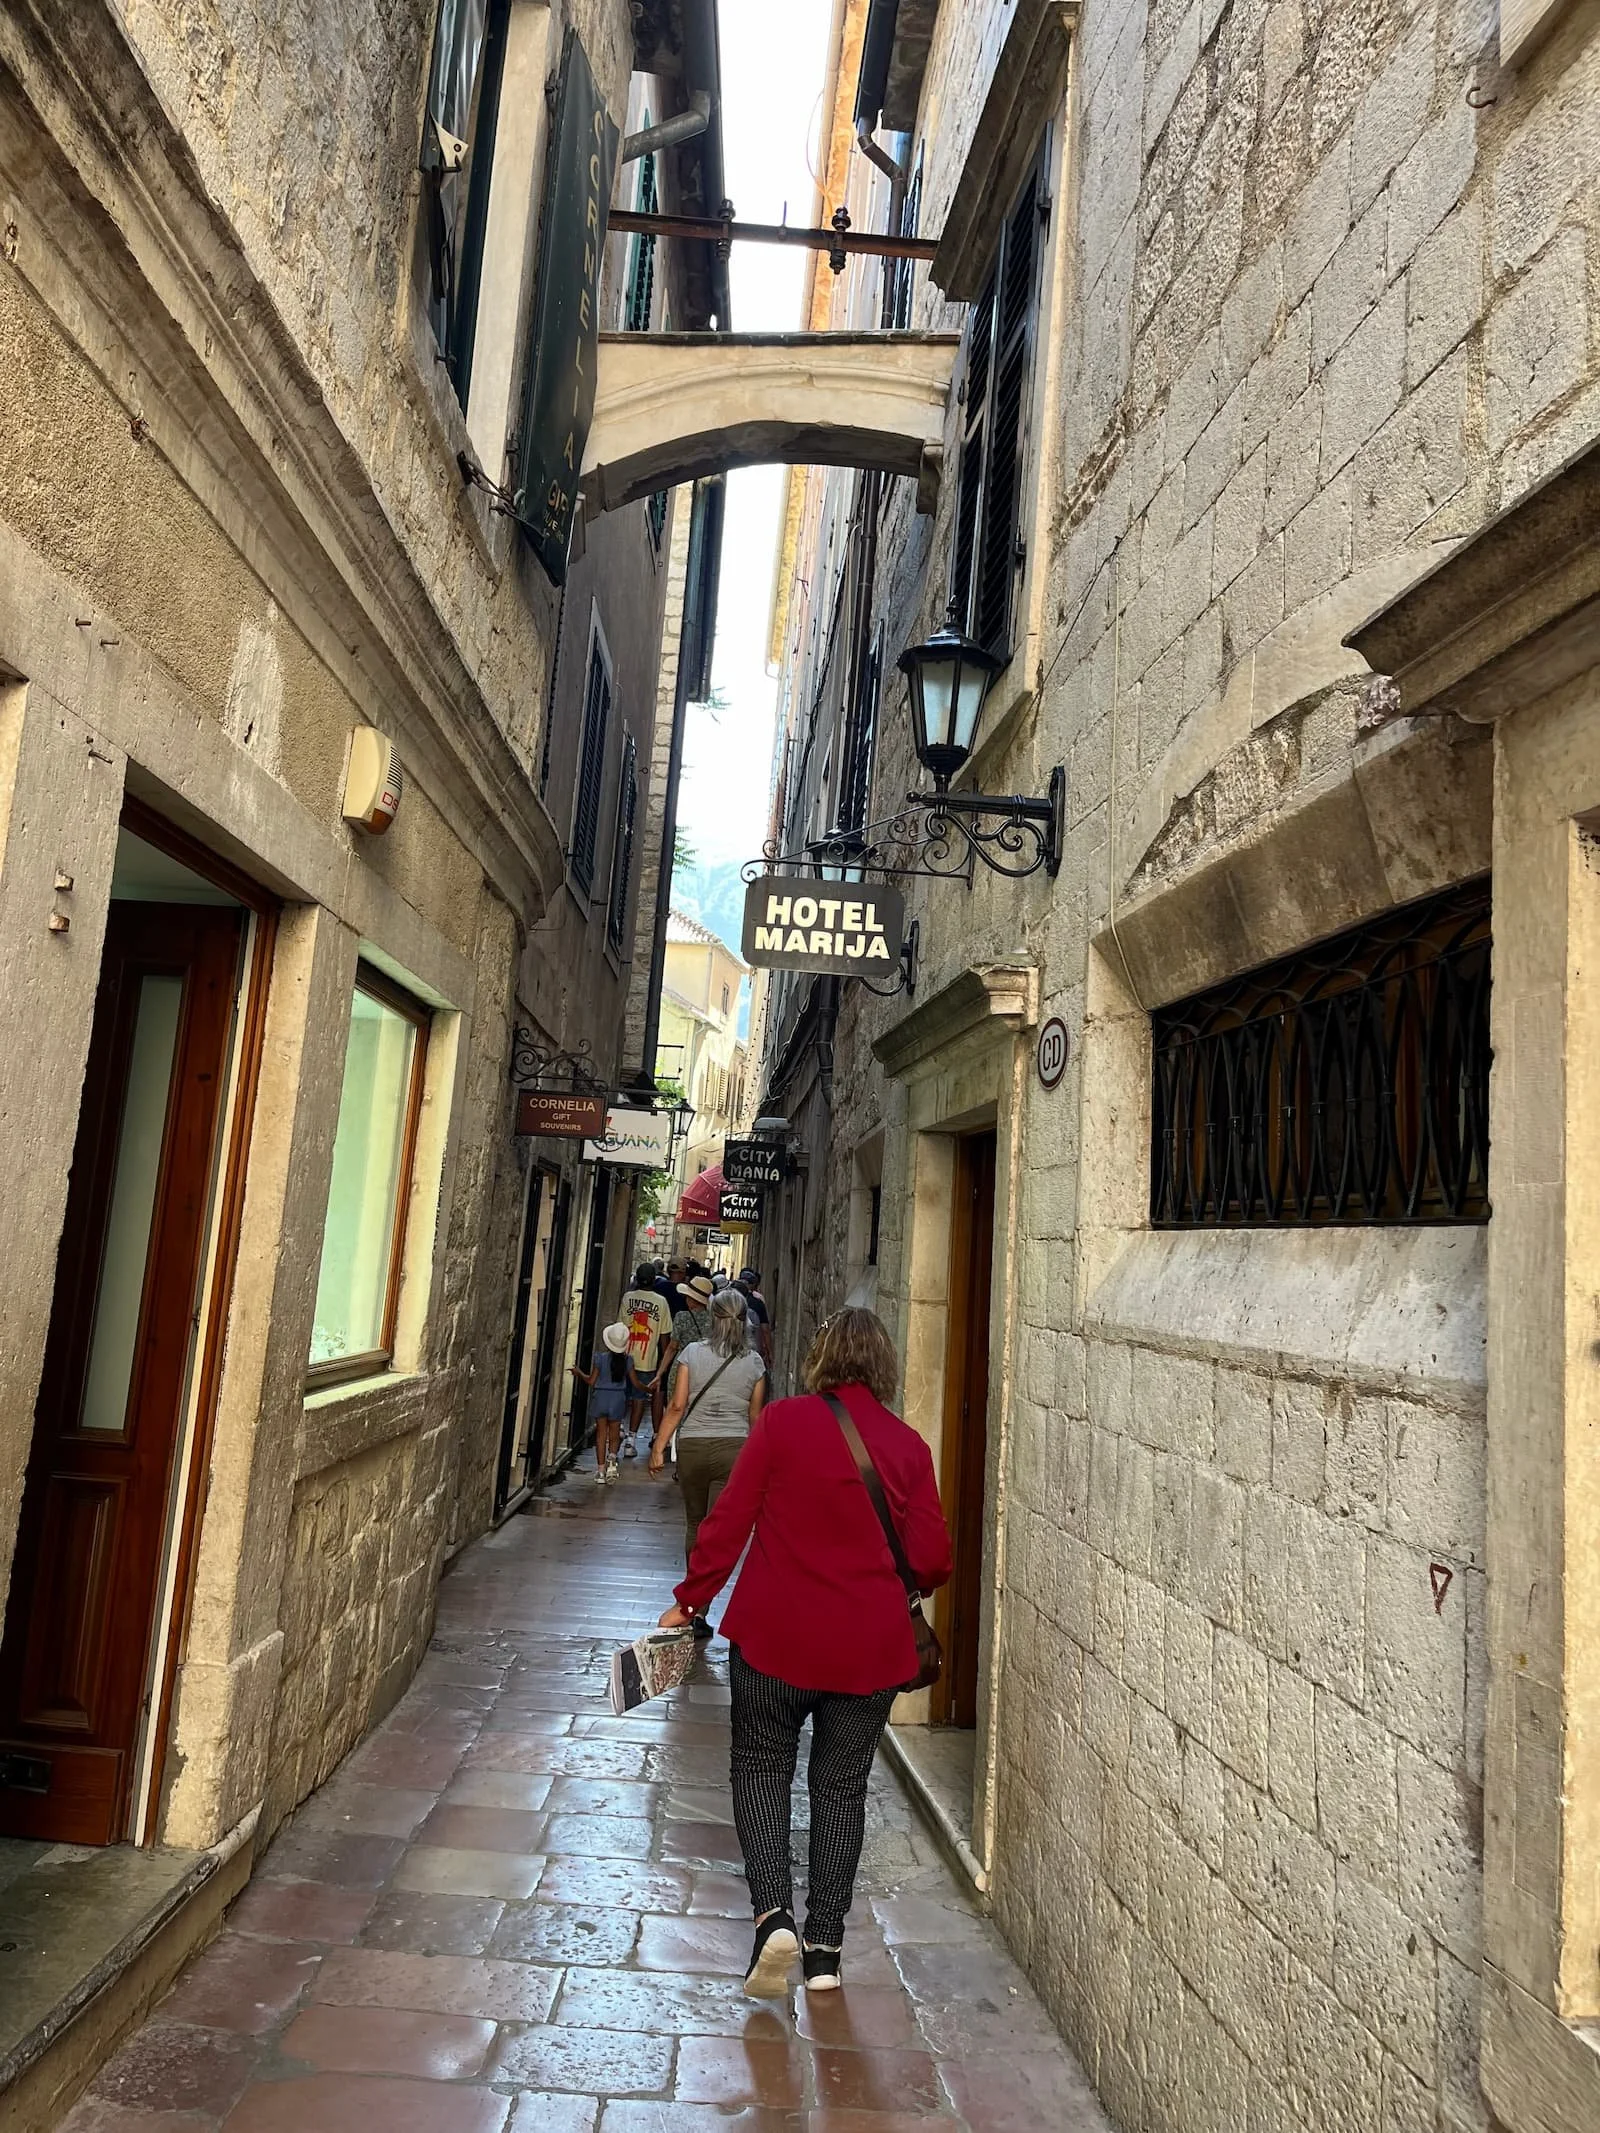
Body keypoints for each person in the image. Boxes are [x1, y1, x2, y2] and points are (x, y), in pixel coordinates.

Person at [655, 1307, 951, 1998]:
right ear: (883, 1367)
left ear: (820, 1360)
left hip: (775, 1639)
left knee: (760, 1767)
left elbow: (729, 1518)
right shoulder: (908, 1447)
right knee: (841, 1787)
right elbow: (934, 1560)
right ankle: (824, 1949)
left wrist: (691, 1597)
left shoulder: (783, 1423)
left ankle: (772, 1916)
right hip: (867, 1653)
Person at [649, 1286, 767, 1636]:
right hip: (735, 1450)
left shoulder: (691, 1353)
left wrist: (658, 1446)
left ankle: (691, 1601)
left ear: (712, 1320)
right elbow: (756, 1418)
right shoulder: (754, 1362)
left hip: (694, 1447)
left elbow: (677, 1406)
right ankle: (700, 1611)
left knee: (695, 1525)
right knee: (718, 1532)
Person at [619, 1262, 673, 1456]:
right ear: (654, 1280)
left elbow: (621, 1328)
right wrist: (663, 1365)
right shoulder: (661, 1302)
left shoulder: (628, 1298)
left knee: (622, 1396)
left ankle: (619, 1433)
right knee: (639, 1399)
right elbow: (665, 1336)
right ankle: (630, 1442)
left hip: (625, 1357)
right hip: (647, 1361)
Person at [570, 1321, 631, 1482]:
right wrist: (648, 1389)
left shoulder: (600, 1358)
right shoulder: (628, 1361)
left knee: (601, 1435)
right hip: (618, 1399)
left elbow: (591, 1381)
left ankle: (601, 1471)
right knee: (614, 1434)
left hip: (601, 1398)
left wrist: (578, 1373)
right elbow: (635, 1382)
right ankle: (612, 1459)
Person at [735, 1267, 774, 1370]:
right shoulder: (758, 1303)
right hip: (752, 1351)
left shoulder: (730, 1302)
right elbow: (765, 1330)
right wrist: (770, 1352)